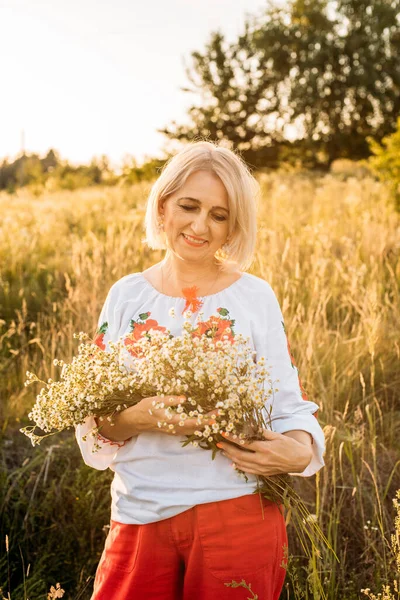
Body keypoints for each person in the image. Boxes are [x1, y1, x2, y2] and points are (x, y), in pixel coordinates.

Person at [75, 141, 326, 600]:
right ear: (163, 205)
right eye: (189, 206)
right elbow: (94, 426)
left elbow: (290, 405)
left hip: (238, 515)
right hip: (139, 513)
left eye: (219, 214)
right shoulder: (126, 296)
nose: (199, 225)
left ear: (234, 226)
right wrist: (138, 418)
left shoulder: (254, 297)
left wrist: (299, 453)